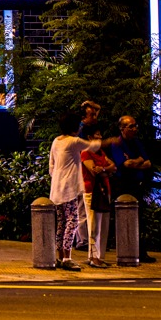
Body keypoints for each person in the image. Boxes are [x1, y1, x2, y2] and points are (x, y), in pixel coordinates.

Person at [48, 111, 117, 271]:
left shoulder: (56, 141)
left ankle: (59, 256)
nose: (80, 127)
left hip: (56, 189)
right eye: (78, 124)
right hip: (68, 190)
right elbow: (93, 145)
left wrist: (57, 178)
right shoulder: (73, 141)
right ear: (74, 126)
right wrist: (111, 141)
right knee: (72, 221)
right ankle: (67, 258)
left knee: (61, 223)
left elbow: (51, 165)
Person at [110, 114, 156, 263]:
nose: (135, 129)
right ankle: (126, 250)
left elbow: (147, 162)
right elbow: (125, 164)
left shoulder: (137, 142)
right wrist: (139, 161)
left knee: (140, 219)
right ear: (122, 128)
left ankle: (141, 252)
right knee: (124, 218)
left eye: (135, 125)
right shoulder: (117, 144)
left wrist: (135, 162)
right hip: (123, 185)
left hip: (137, 184)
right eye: (131, 126)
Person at [81, 125, 116, 267]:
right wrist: (105, 169)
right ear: (89, 138)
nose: (100, 137)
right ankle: (93, 256)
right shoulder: (86, 152)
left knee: (104, 224)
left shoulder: (101, 152)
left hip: (104, 190)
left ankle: (100, 256)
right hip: (92, 191)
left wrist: (104, 169)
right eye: (97, 134)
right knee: (93, 225)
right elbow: (93, 170)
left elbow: (113, 166)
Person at [74, 100, 102, 249]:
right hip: (82, 173)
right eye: (91, 114)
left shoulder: (88, 127)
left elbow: (99, 108)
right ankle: (82, 240)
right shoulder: (82, 130)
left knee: (88, 209)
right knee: (82, 209)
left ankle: (86, 239)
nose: (95, 116)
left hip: (86, 173)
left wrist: (91, 103)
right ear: (84, 117)